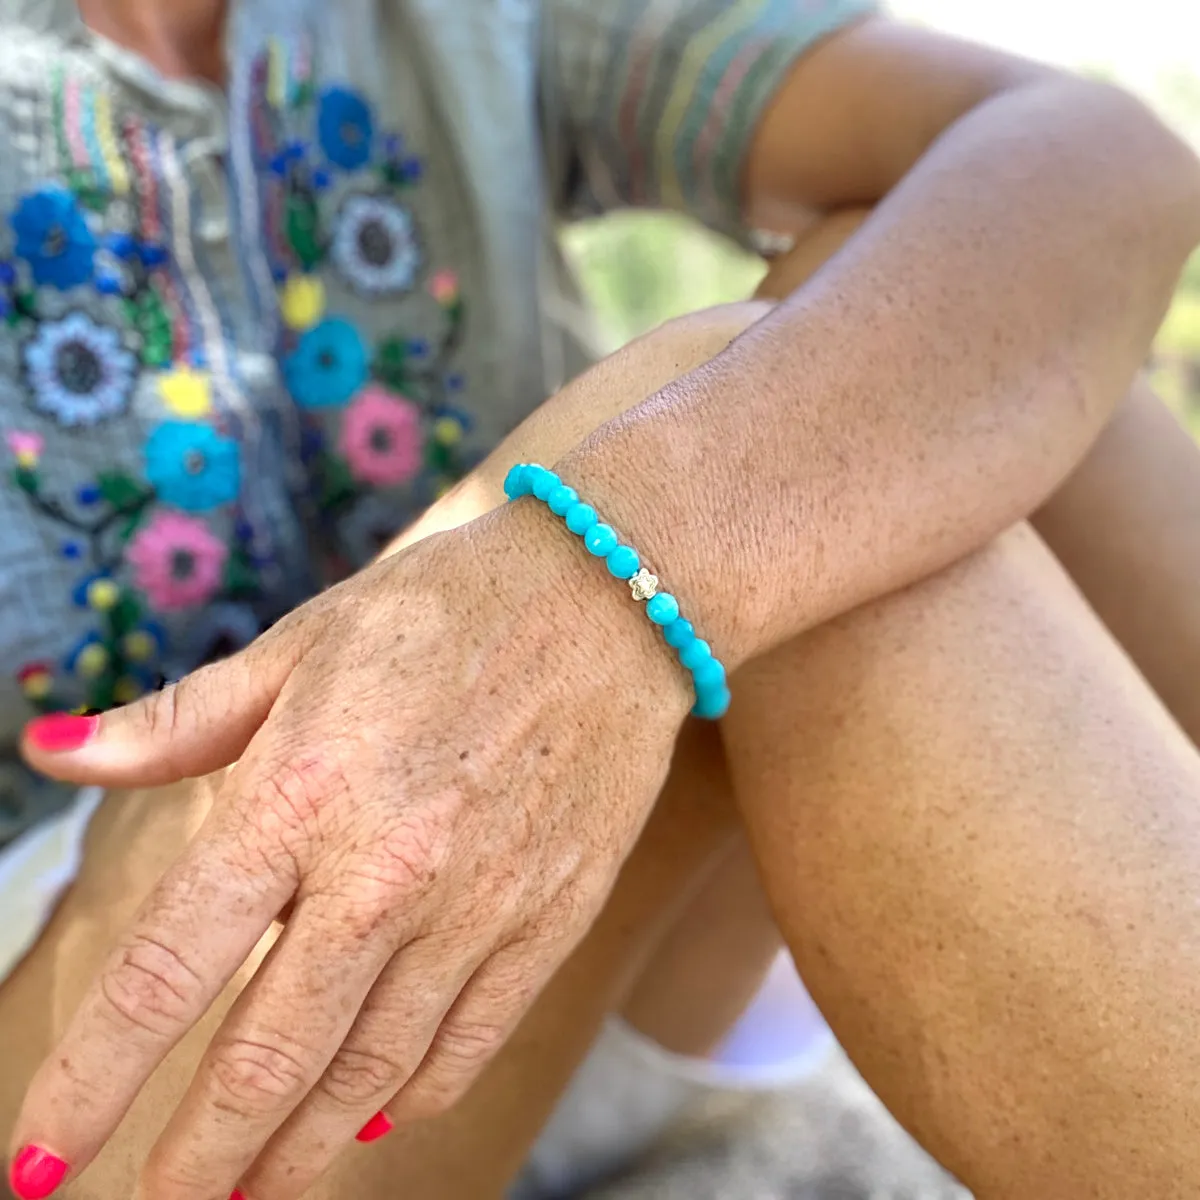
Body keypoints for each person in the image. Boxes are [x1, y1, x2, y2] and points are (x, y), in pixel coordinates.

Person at [2, 1, 1200, 1198]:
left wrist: (593, 586)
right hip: (103, 1059)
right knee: (770, 402)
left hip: (598, 959)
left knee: (879, 354)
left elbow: (1102, 156)